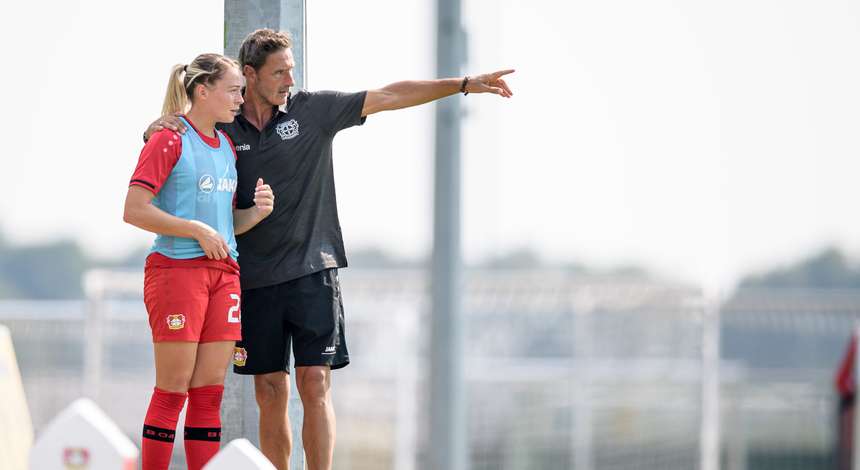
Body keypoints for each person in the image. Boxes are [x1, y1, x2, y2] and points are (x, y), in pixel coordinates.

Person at [144, 28, 514, 470]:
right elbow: (185, 132)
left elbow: (389, 95)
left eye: (291, 70)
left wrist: (463, 84)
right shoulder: (226, 123)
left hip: (313, 270)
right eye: (279, 72)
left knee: (315, 382)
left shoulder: (313, 110)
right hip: (253, 279)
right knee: (269, 390)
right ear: (250, 75)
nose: (289, 80)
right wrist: (157, 124)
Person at [126, 52, 274, 470]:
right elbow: (134, 210)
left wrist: (256, 214)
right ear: (203, 91)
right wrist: (194, 230)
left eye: (241, 92)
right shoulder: (169, 138)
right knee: (172, 390)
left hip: (224, 275)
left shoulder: (226, 146)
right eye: (233, 91)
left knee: (209, 395)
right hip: (176, 272)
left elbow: (224, 225)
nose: (240, 100)